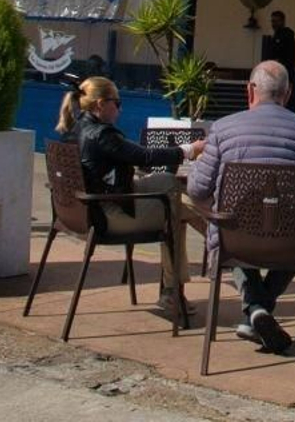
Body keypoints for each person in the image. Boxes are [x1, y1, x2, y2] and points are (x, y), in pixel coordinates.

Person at [187, 59, 295, 354]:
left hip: (236, 241)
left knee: (230, 227)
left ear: (250, 90)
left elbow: (196, 188)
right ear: (288, 93)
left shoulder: (223, 129)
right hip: (292, 243)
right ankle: (260, 309)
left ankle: (256, 308)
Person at [56, 76, 195, 320]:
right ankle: (175, 287)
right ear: (100, 104)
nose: (121, 108)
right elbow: (145, 156)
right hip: (106, 216)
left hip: (83, 210)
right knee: (175, 211)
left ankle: (176, 285)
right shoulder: (101, 135)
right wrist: (190, 150)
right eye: (117, 103)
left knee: (168, 184)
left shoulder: (74, 129)